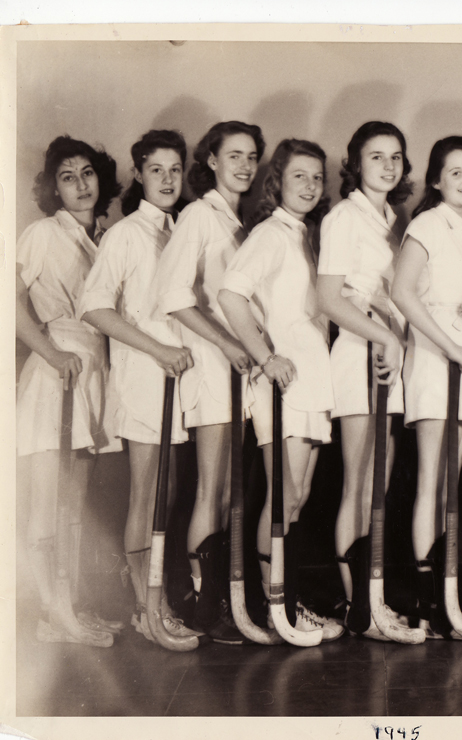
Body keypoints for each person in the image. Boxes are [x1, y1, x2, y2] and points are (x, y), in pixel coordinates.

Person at [80, 129, 202, 643]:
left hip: (180, 381)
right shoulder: (126, 234)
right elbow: (94, 308)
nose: (168, 179)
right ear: (139, 174)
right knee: (147, 496)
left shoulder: (181, 229)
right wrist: (157, 351)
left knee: (168, 495)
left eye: (176, 170)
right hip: (144, 378)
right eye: (157, 169)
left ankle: (156, 601)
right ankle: (147, 610)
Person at [219, 138, 343, 641]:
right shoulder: (270, 233)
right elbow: (230, 295)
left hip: (314, 378)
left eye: (317, 177)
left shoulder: (305, 236)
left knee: (297, 498)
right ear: (278, 183)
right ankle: (277, 607)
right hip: (283, 382)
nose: (311, 186)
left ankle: (283, 601)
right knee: (284, 492)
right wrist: (267, 357)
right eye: (299, 177)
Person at [156, 120, 265, 644]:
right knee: (210, 488)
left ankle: (219, 598)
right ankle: (204, 603)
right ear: (212, 162)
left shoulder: (238, 222)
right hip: (211, 364)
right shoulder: (199, 215)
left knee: (225, 490)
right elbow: (173, 297)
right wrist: (225, 345)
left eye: (251, 157)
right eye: (233, 156)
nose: (244, 166)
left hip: (238, 368)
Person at [16, 135, 123, 643]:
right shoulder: (42, 234)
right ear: (53, 189)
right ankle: (52, 614)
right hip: (54, 371)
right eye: (67, 176)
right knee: (47, 500)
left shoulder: (105, 237)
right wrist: (50, 353)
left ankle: (68, 609)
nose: (80, 184)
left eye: (87, 173)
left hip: (92, 371)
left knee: (74, 502)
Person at [391, 136, 462, 638]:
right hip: (436, 359)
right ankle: (425, 600)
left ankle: (449, 598)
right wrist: (450, 347)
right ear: (436, 180)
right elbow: (402, 292)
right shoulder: (427, 224)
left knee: (453, 482)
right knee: (431, 479)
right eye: (456, 172)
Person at [316, 121, 413, 640]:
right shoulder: (342, 217)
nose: (388, 166)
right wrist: (381, 333)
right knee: (358, 481)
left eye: (395, 156)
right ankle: (359, 606)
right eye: (376, 157)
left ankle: (373, 600)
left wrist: (392, 334)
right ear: (355, 162)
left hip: (388, 352)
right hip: (358, 351)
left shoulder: (392, 218)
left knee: (382, 479)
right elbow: (329, 298)